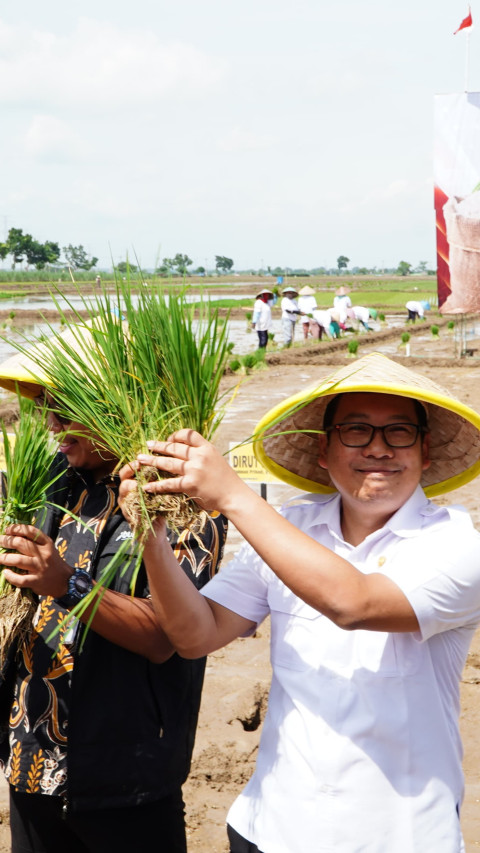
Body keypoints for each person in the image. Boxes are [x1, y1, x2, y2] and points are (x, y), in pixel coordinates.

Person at [119, 352, 480, 853]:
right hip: (270, 826)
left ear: (425, 452)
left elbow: (354, 603)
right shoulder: (289, 528)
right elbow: (195, 635)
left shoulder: (457, 545)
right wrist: (152, 538)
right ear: (324, 453)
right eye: (356, 431)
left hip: (395, 836)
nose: (378, 449)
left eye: (399, 432)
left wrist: (234, 495)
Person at [0, 359, 227, 853]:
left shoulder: (177, 496)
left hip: (127, 775)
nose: (51, 424)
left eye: (64, 408)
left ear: (113, 402)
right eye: (46, 408)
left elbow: (163, 637)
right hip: (30, 763)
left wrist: (64, 584)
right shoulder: (46, 481)